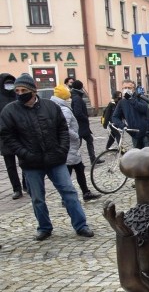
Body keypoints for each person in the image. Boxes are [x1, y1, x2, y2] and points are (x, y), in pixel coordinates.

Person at [0, 73, 93, 240]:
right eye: (18, 90)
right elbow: (8, 137)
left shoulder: (50, 107)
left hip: (55, 159)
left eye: (24, 90)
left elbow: (62, 129)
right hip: (31, 162)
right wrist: (24, 153)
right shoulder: (10, 111)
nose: (20, 93)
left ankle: (81, 225)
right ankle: (44, 227)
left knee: (69, 192)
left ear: (33, 91)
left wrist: (62, 150)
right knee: (37, 198)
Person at [52, 85, 100, 202]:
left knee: (78, 169)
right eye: (68, 97)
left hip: (67, 146)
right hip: (69, 146)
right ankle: (68, 197)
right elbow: (65, 128)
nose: (70, 99)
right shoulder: (64, 110)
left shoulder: (56, 107)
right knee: (69, 172)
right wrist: (76, 136)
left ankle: (84, 192)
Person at [0, 72, 26, 199]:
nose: (9, 85)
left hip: (21, 134)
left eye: (11, 83)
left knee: (25, 161)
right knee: (10, 165)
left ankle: (26, 184)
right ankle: (17, 189)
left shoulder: (18, 96)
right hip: (5, 137)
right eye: (6, 83)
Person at [113, 79, 149, 150]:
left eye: (129, 88)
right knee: (137, 157)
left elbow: (144, 109)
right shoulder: (122, 102)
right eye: (125, 88)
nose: (127, 89)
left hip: (146, 133)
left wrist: (131, 99)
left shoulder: (140, 97)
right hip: (134, 133)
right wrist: (122, 126)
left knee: (148, 155)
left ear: (133, 89)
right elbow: (115, 117)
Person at [70, 80, 97, 164]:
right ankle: (74, 160)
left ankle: (93, 159)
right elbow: (78, 113)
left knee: (89, 140)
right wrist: (85, 118)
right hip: (80, 125)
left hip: (82, 125)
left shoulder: (75, 96)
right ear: (80, 87)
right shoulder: (77, 98)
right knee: (78, 144)